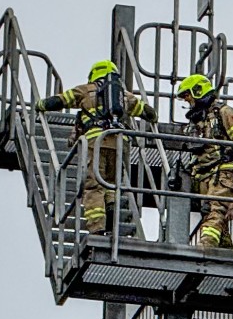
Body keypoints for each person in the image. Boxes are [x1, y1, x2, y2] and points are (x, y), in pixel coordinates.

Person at [34, 61, 157, 234]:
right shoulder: (124, 95)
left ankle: (97, 228)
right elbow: (148, 112)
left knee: (93, 186)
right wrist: (153, 117)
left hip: (95, 142)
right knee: (112, 184)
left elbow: (60, 101)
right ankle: (112, 217)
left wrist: (40, 105)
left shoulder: (85, 90)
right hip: (121, 143)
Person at [176, 74, 233, 249]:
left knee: (215, 211)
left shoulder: (225, 112)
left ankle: (206, 247)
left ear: (197, 91)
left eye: (188, 96)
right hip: (204, 175)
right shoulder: (198, 121)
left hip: (222, 173)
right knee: (211, 215)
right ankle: (226, 253)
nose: (188, 102)